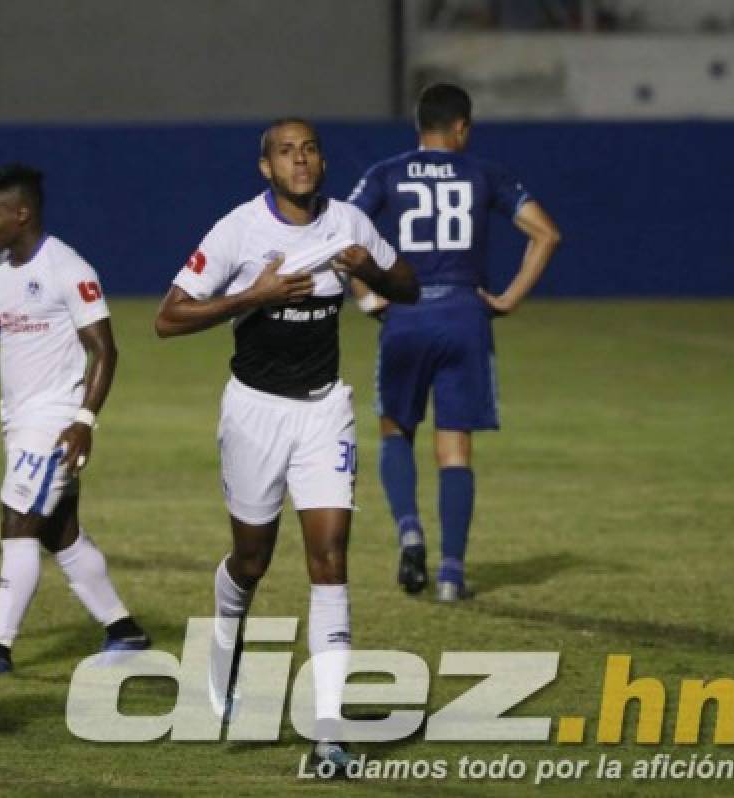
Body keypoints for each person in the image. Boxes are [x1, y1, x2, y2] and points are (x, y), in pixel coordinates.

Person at [154, 119, 418, 772]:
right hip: (254, 413)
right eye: (285, 152)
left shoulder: (350, 222)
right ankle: (224, 636)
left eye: (309, 149)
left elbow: (407, 286)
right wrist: (255, 295)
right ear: (266, 167)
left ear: (322, 162)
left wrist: (372, 272)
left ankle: (330, 732)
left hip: (325, 412)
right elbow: (167, 317)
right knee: (252, 560)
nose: (300, 160)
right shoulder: (239, 230)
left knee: (329, 558)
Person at [347, 83, 561, 601]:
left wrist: (368, 298)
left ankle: (409, 531)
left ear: (420, 125)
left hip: (407, 314)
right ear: (461, 126)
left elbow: (344, 231)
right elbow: (546, 234)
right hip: (465, 314)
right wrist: (509, 298)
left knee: (396, 430)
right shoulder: (485, 173)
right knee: (455, 448)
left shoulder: (387, 172)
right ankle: (451, 575)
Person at [0, 164, 149, 677]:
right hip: (19, 424)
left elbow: (105, 350)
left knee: (17, 521)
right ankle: (124, 630)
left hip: (56, 425)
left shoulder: (68, 268)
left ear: (22, 214)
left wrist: (84, 420)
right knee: (62, 533)